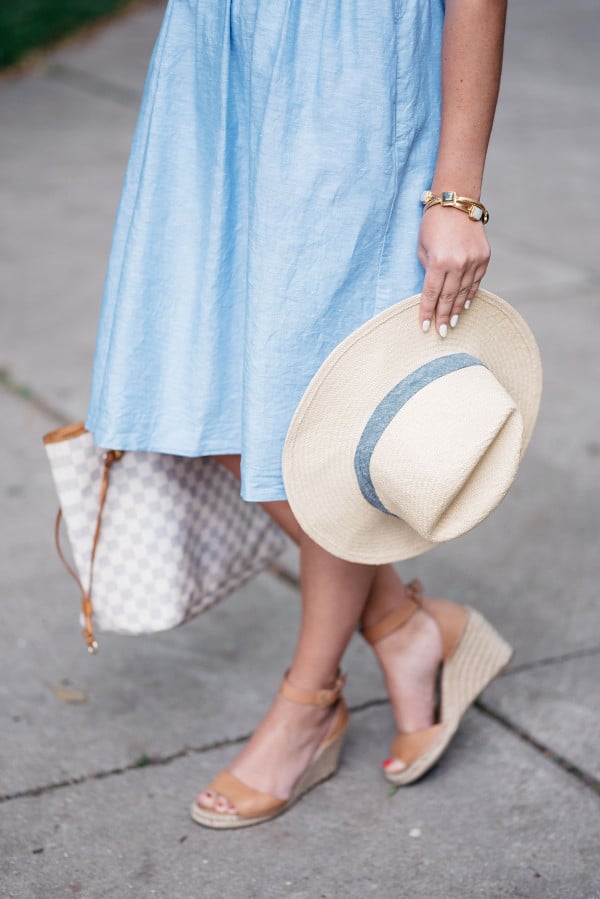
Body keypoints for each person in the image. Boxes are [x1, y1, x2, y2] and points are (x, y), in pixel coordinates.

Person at [84, 0, 509, 828]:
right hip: (214, 59)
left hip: (347, 77)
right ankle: (404, 625)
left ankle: (310, 701)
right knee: (183, 381)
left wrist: (458, 195)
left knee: (318, 414)